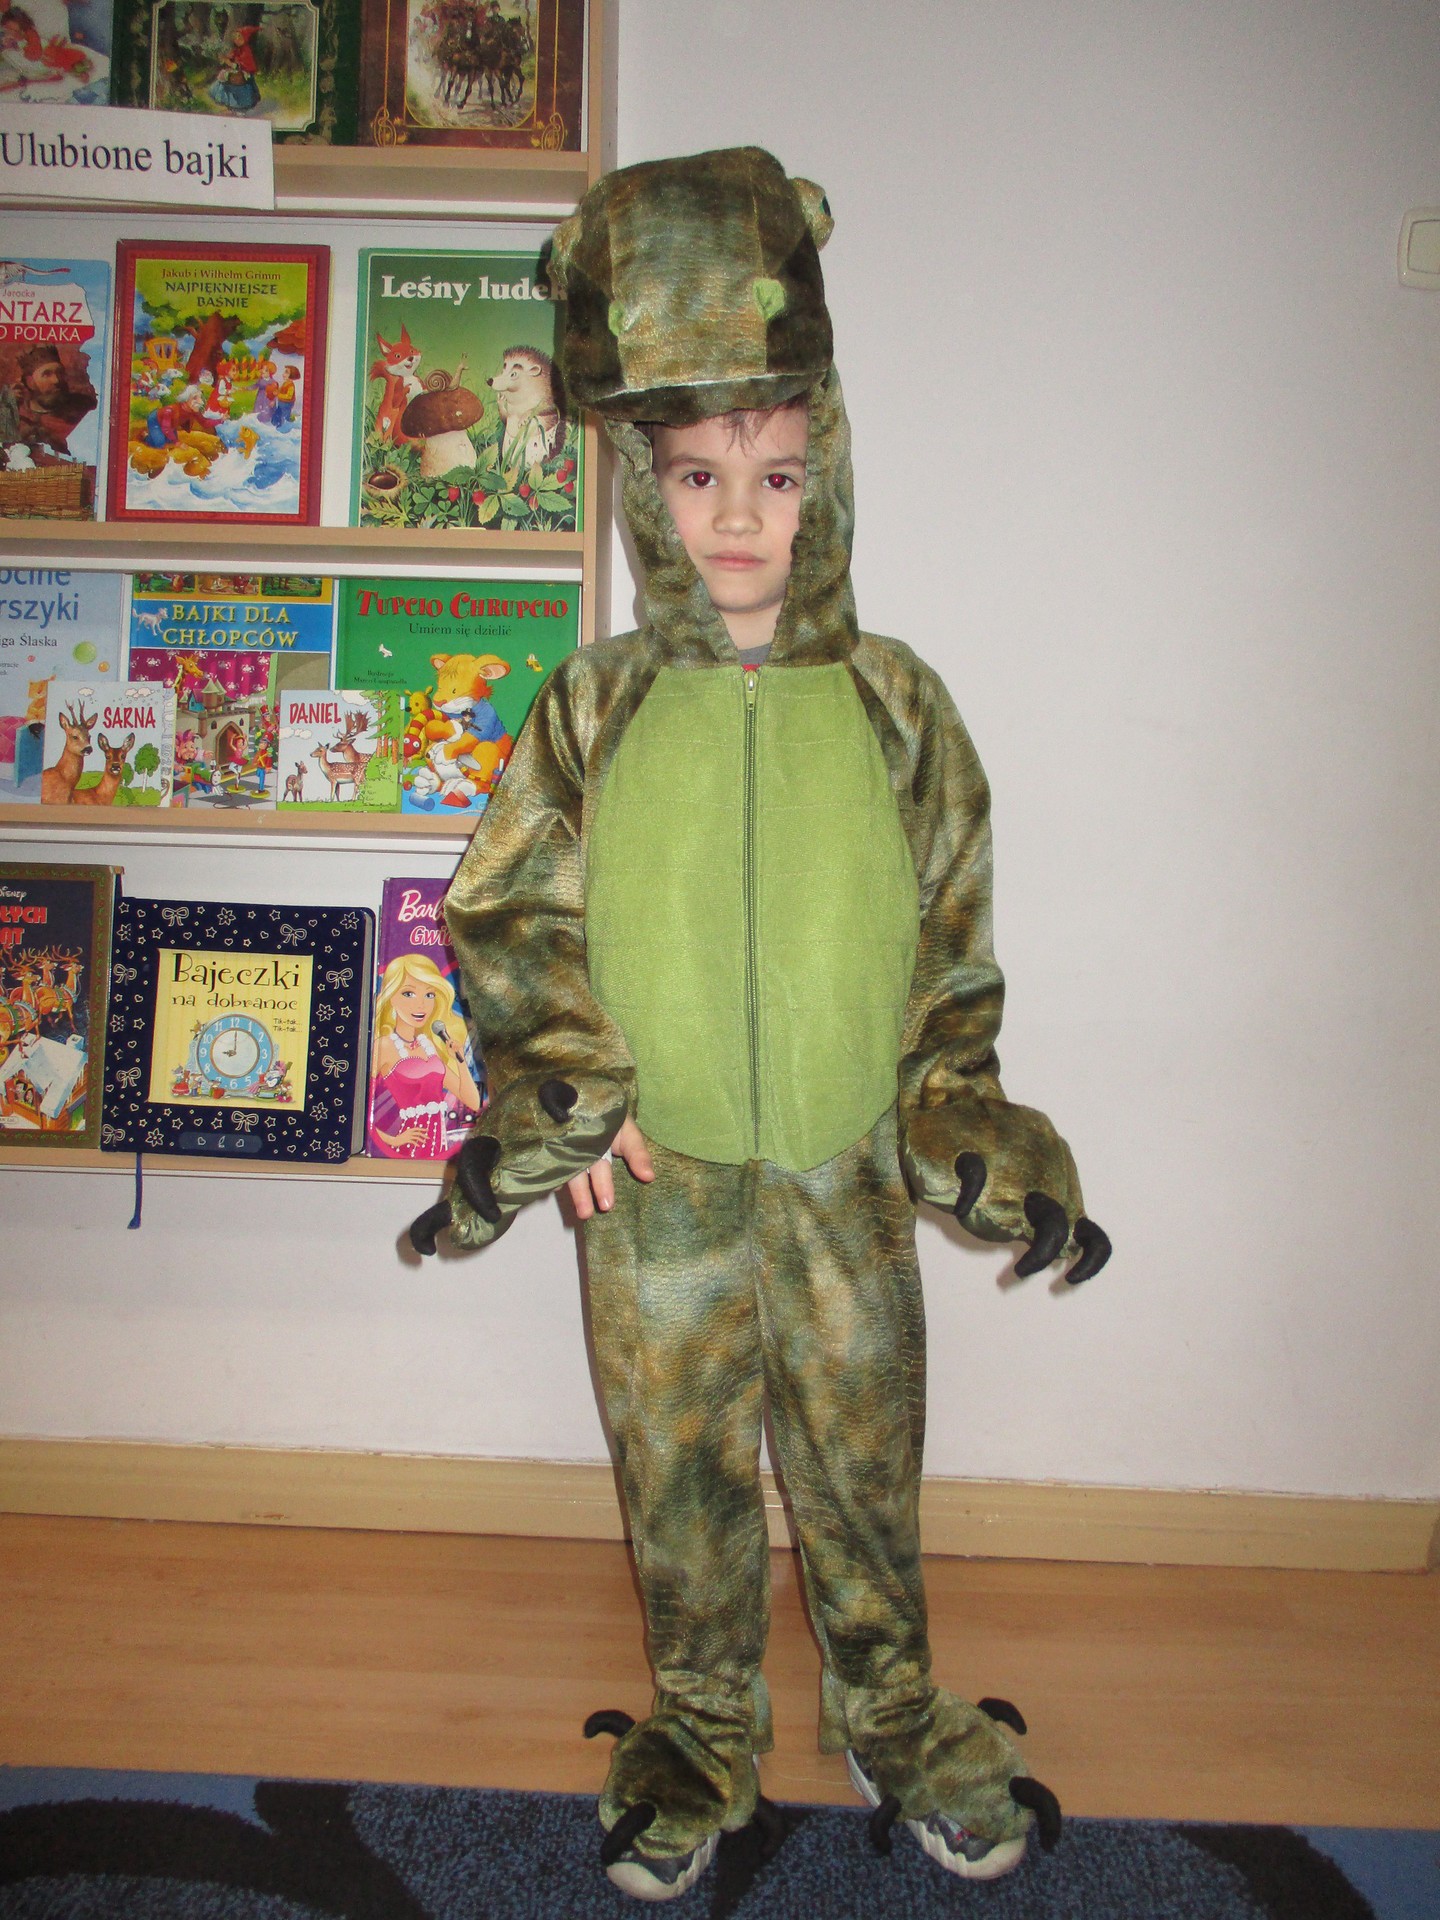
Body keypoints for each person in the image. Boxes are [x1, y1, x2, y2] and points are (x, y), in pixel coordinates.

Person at [410, 148, 1110, 1901]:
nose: (740, 517)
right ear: (642, 489)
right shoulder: (591, 705)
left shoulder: (899, 706)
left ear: (831, 473)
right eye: (699, 476)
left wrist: (957, 1116)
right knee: (680, 1474)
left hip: (843, 1169)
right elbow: (510, 912)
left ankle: (895, 1709)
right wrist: (562, 1094)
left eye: (779, 474)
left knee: (864, 1466)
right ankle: (704, 1721)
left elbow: (950, 953)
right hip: (655, 1184)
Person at [370, 954, 481, 1157]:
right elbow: (355, 1106)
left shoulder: (429, 1045)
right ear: (391, 996)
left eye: (429, 995)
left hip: (439, 1148)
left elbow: (473, 1102)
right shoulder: (384, 1045)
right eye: (409, 994)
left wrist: (460, 1061)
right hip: (408, 1151)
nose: (421, 1004)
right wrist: (392, 1139)